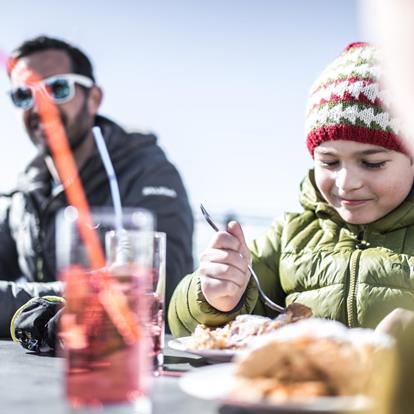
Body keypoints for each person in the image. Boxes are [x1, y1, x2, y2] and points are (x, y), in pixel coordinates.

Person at [168, 42, 414, 338]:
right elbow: (185, 329)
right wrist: (213, 297)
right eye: (330, 161)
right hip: (298, 383)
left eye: (372, 163)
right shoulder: (290, 236)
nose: (347, 182)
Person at [0, 35, 194, 337]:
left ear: (94, 99)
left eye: (56, 88)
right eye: (23, 95)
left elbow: (154, 292)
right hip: (34, 369)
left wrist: (21, 311)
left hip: (125, 369)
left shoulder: (145, 172)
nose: (40, 107)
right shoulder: (24, 193)